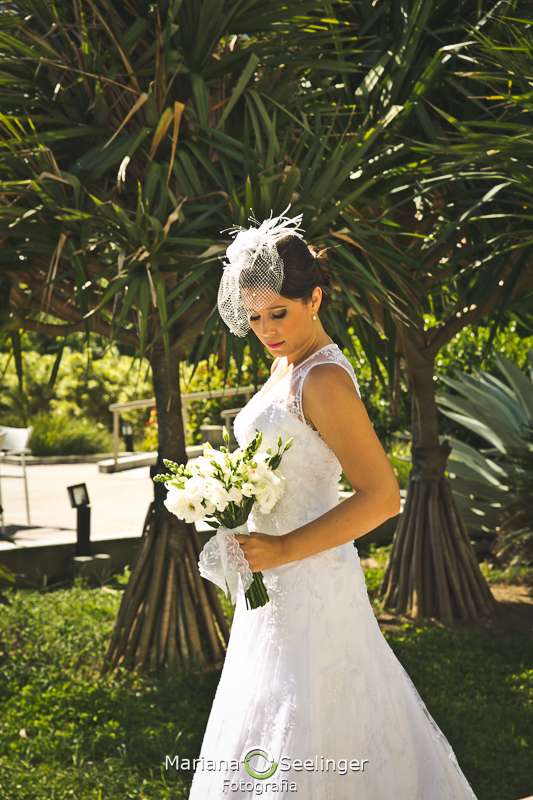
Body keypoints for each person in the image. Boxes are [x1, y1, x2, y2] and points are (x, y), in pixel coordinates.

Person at [188, 208, 478, 799]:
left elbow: (383, 497)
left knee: (318, 717)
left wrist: (283, 547)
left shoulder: (321, 380)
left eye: (279, 313)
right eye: (254, 316)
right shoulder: (283, 365)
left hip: (309, 574)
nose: (266, 329)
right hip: (271, 580)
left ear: (314, 298)